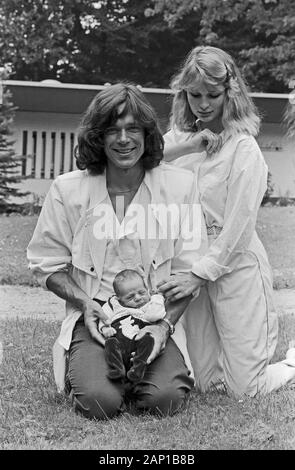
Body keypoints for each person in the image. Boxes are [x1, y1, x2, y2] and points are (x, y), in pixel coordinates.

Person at [27, 82, 205, 420]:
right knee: (99, 402)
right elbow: (45, 264)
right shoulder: (68, 190)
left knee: (163, 401)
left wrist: (164, 326)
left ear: (147, 133)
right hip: (98, 320)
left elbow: (190, 271)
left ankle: (142, 373)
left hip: (153, 319)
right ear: (98, 136)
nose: (124, 139)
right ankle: (93, 369)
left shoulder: (181, 186)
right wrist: (84, 304)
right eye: (113, 129)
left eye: (132, 128)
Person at [160, 45, 295, 397]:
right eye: (194, 95)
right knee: (207, 385)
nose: (203, 104)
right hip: (191, 260)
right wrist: (189, 147)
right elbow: (140, 161)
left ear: (229, 93)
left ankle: (291, 362)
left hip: (234, 262)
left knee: (245, 390)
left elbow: (240, 223)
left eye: (213, 95)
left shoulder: (244, 148)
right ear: (183, 93)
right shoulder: (176, 140)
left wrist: (198, 274)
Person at [53, 268, 166, 391]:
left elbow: (155, 315)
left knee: (148, 342)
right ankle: (117, 369)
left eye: (142, 292)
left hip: (139, 339)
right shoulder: (113, 304)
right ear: (119, 298)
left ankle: (137, 369)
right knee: (110, 344)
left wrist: (156, 297)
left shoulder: (150, 304)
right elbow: (104, 317)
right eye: (130, 297)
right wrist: (105, 328)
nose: (138, 298)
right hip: (120, 341)